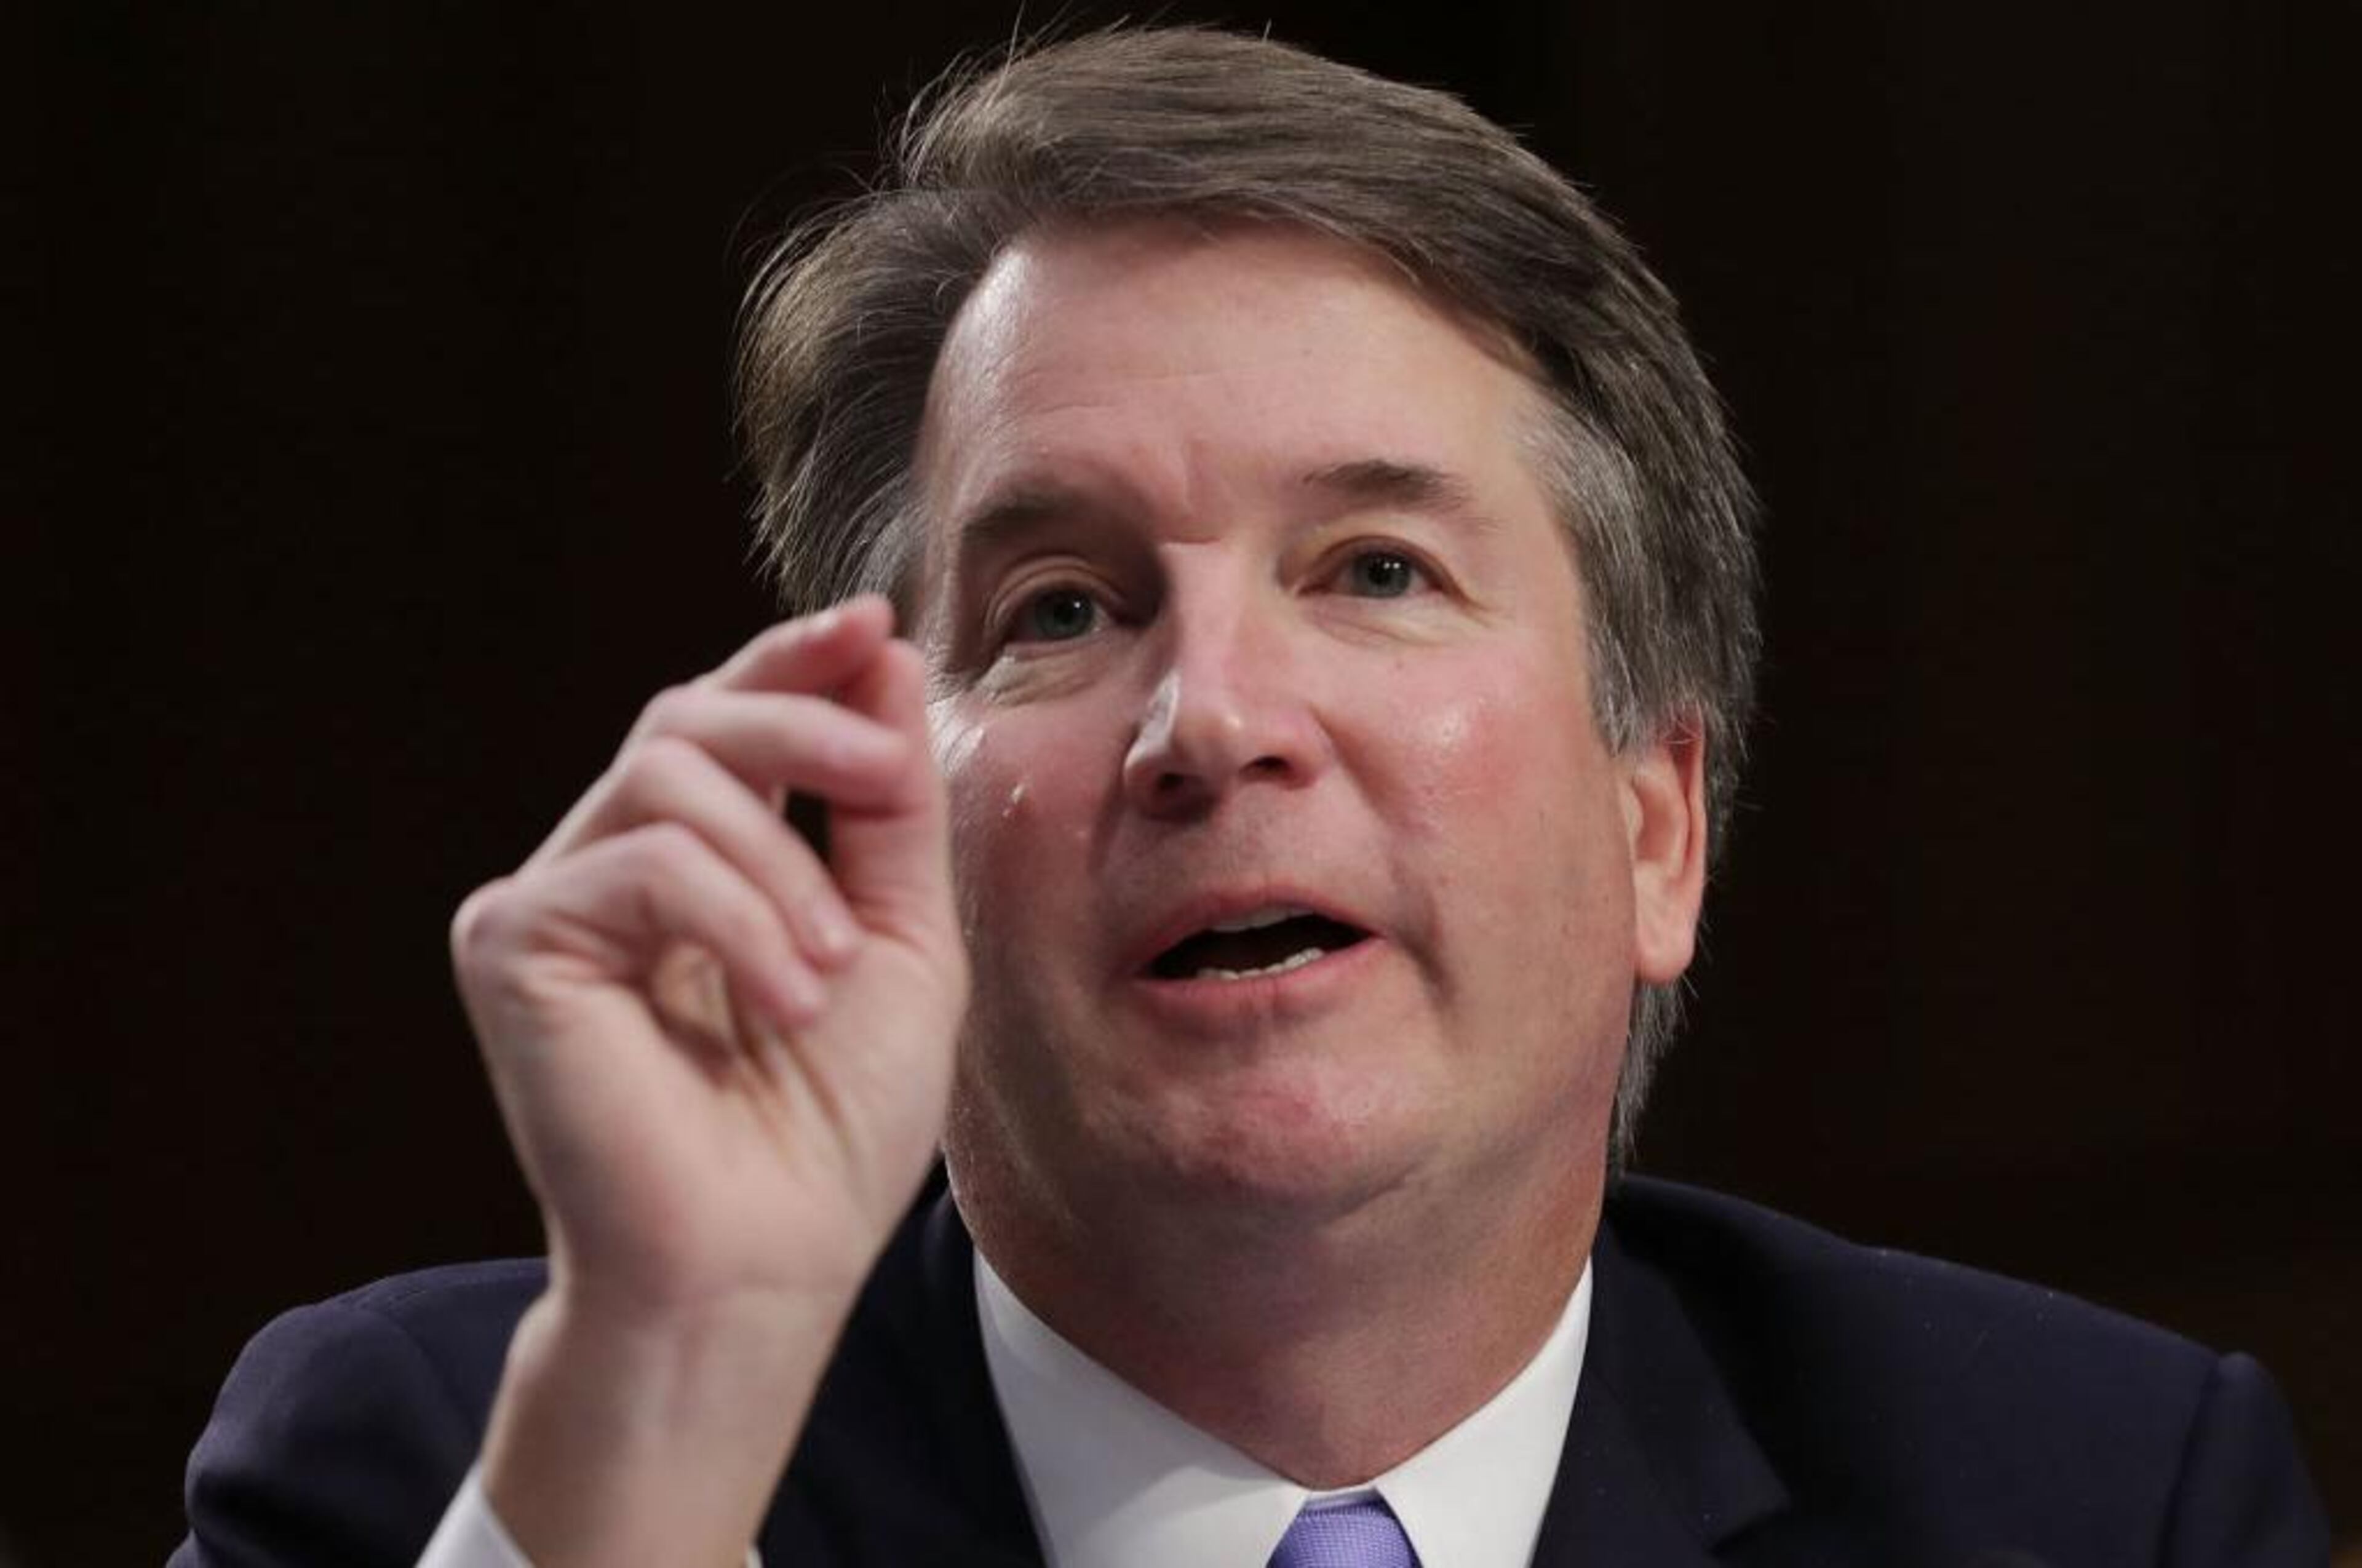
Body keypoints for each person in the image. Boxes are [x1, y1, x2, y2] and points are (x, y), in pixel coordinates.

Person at [172, 26, 2329, 1568]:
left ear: (1656, 826)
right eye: (1061, 605)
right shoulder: (462, 1472)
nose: (1208, 717)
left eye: (1374, 572)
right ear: (865, 817)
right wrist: (670, 1383)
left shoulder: (2086, 1499)